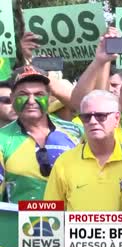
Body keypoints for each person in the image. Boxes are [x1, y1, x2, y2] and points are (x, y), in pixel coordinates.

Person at [44, 90, 122, 211]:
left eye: (101, 116)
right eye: (86, 117)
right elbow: (51, 213)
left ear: (117, 119)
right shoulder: (64, 162)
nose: (93, 121)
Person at [0, 66, 83, 203]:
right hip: (21, 222)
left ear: (49, 97)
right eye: (23, 94)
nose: (31, 101)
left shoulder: (76, 131)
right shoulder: (2, 139)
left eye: (39, 94)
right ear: (12, 98)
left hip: (69, 221)